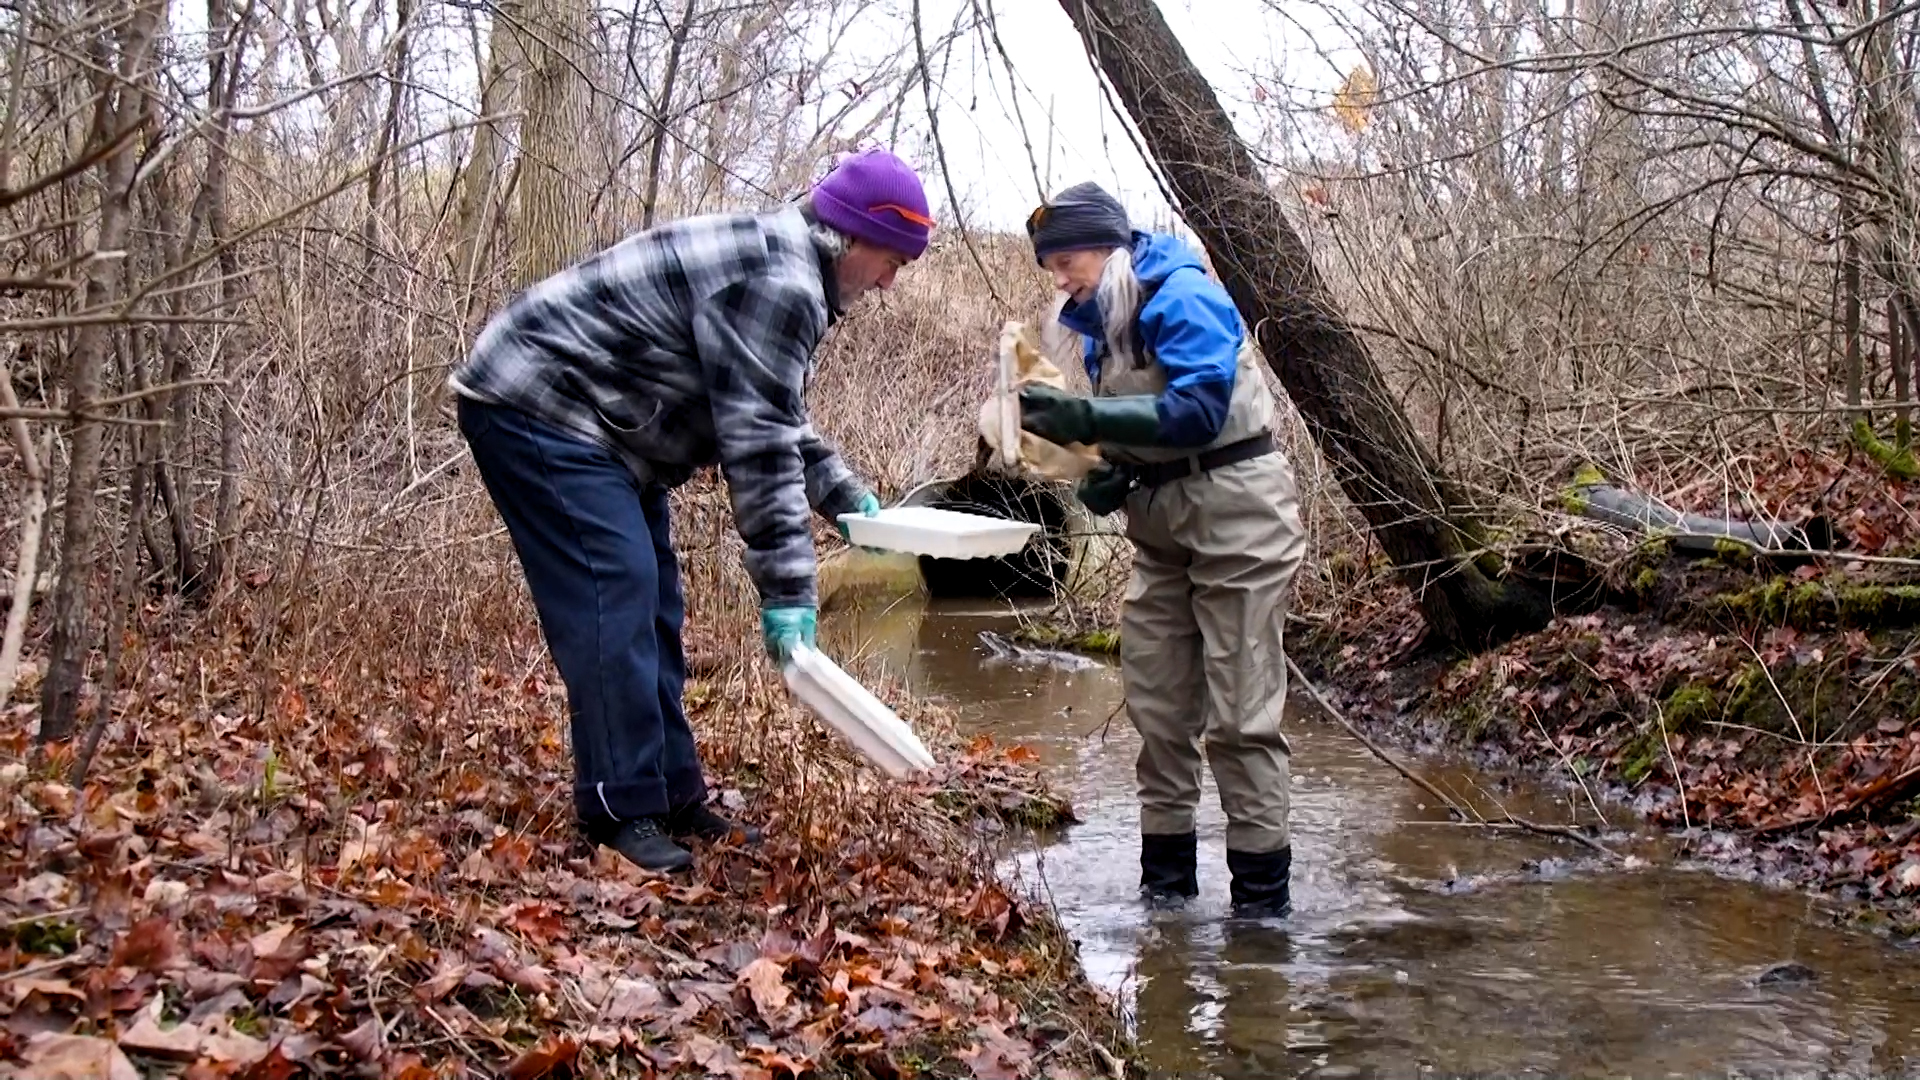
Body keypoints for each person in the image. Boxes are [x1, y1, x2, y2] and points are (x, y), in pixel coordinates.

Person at [448, 149, 933, 873]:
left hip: (608, 428)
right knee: (615, 591)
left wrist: (845, 499)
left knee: (656, 604)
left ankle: (673, 793)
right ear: (849, 235)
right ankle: (620, 810)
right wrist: (791, 593)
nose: (891, 282)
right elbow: (759, 445)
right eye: (891, 259)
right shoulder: (783, 282)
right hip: (537, 403)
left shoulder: (787, 262)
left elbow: (771, 409)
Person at [1018, 182, 1307, 917]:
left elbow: (1199, 409)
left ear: (1109, 247)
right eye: (1049, 264)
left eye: (1066, 258)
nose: (1058, 277)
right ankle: (1167, 898)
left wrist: (1082, 414)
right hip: (1162, 530)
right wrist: (1111, 473)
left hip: (1239, 519)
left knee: (1241, 716)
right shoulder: (1099, 321)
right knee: (1158, 706)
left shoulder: (1181, 293)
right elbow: (1145, 429)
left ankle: (1260, 915)